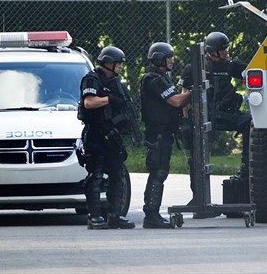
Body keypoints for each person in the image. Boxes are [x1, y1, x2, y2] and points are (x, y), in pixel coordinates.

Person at [179, 32, 251, 182]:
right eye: (223, 49)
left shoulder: (231, 65)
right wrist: (185, 120)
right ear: (212, 52)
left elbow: (252, 73)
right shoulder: (195, 68)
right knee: (195, 156)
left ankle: (247, 168)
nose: (227, 51)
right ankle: (197, 189)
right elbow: (184, 93)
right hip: (202, 115)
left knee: (250, 122)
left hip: (225, 114)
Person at [78, 46, 135, 230]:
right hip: (95, 134)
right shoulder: (92, 79)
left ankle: (115, 215)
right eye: (118, 63)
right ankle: (94, 217)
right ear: (108, 63)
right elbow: (89, 103)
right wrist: (109, 99)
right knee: (96, 175)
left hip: (112, 135)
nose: (120, 66)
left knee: (117, 174)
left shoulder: (116, 83)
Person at [140, 42, 191, 228]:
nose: (172, 60)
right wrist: (194, 92)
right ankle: (151, 215)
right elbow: (176, 101)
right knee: (158, 172)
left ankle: (152, 213)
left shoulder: (161, 78)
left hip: (163, 134)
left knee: (160, 172)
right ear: (160, 58)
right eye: (169, 57)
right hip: (158, 135)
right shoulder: (154, 80)